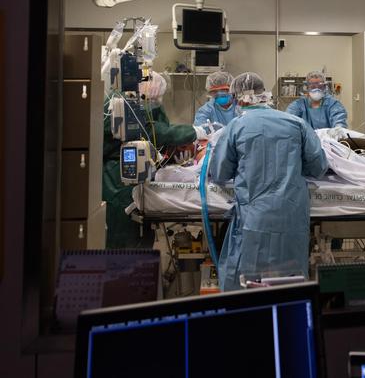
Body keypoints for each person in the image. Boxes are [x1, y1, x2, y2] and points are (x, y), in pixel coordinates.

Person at [209, 72, 328, 291]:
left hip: (254, 219)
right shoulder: (296, 123)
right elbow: (318, 168)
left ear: (238, 98)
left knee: (249, 285)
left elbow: (220, 173)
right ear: (263, 94)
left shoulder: (235, 126)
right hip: (291, 216)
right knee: (291, 284)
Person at [103, 71, 211, 248]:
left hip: (136, 172)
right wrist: (192, 132)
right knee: (124, 235)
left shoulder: (142, 104)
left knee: (141, 234)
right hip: (117, 178)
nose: (156, 101)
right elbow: (153, 131)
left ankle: (140, 261)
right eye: (155, 97)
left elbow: (158, 131)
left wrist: (171, 154)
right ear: (145, 87)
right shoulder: (121, 105)